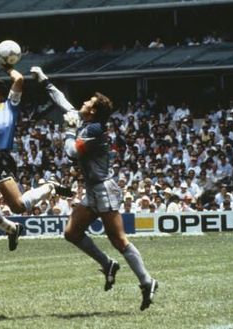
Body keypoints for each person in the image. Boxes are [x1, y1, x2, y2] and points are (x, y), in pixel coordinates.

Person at [30, 66, 158, 311]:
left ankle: (147, 281)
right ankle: (108, 265)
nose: (83, 103)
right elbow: (62, 102)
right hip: (93, 190)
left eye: (88, 102)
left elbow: (70, 153)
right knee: (71, 233)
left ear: (94, 110)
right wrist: (44, 80)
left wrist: (67, 131)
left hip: (104, 190)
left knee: (119, 240)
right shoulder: (84, 120)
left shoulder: (94, 129)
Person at [0, 63, 71, 251]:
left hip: (1, 159)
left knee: (18, 207)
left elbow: (19, 79)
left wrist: (6, 67)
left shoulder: (9, 106)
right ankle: (12, 229)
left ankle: (50, 186)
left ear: (2, 95)